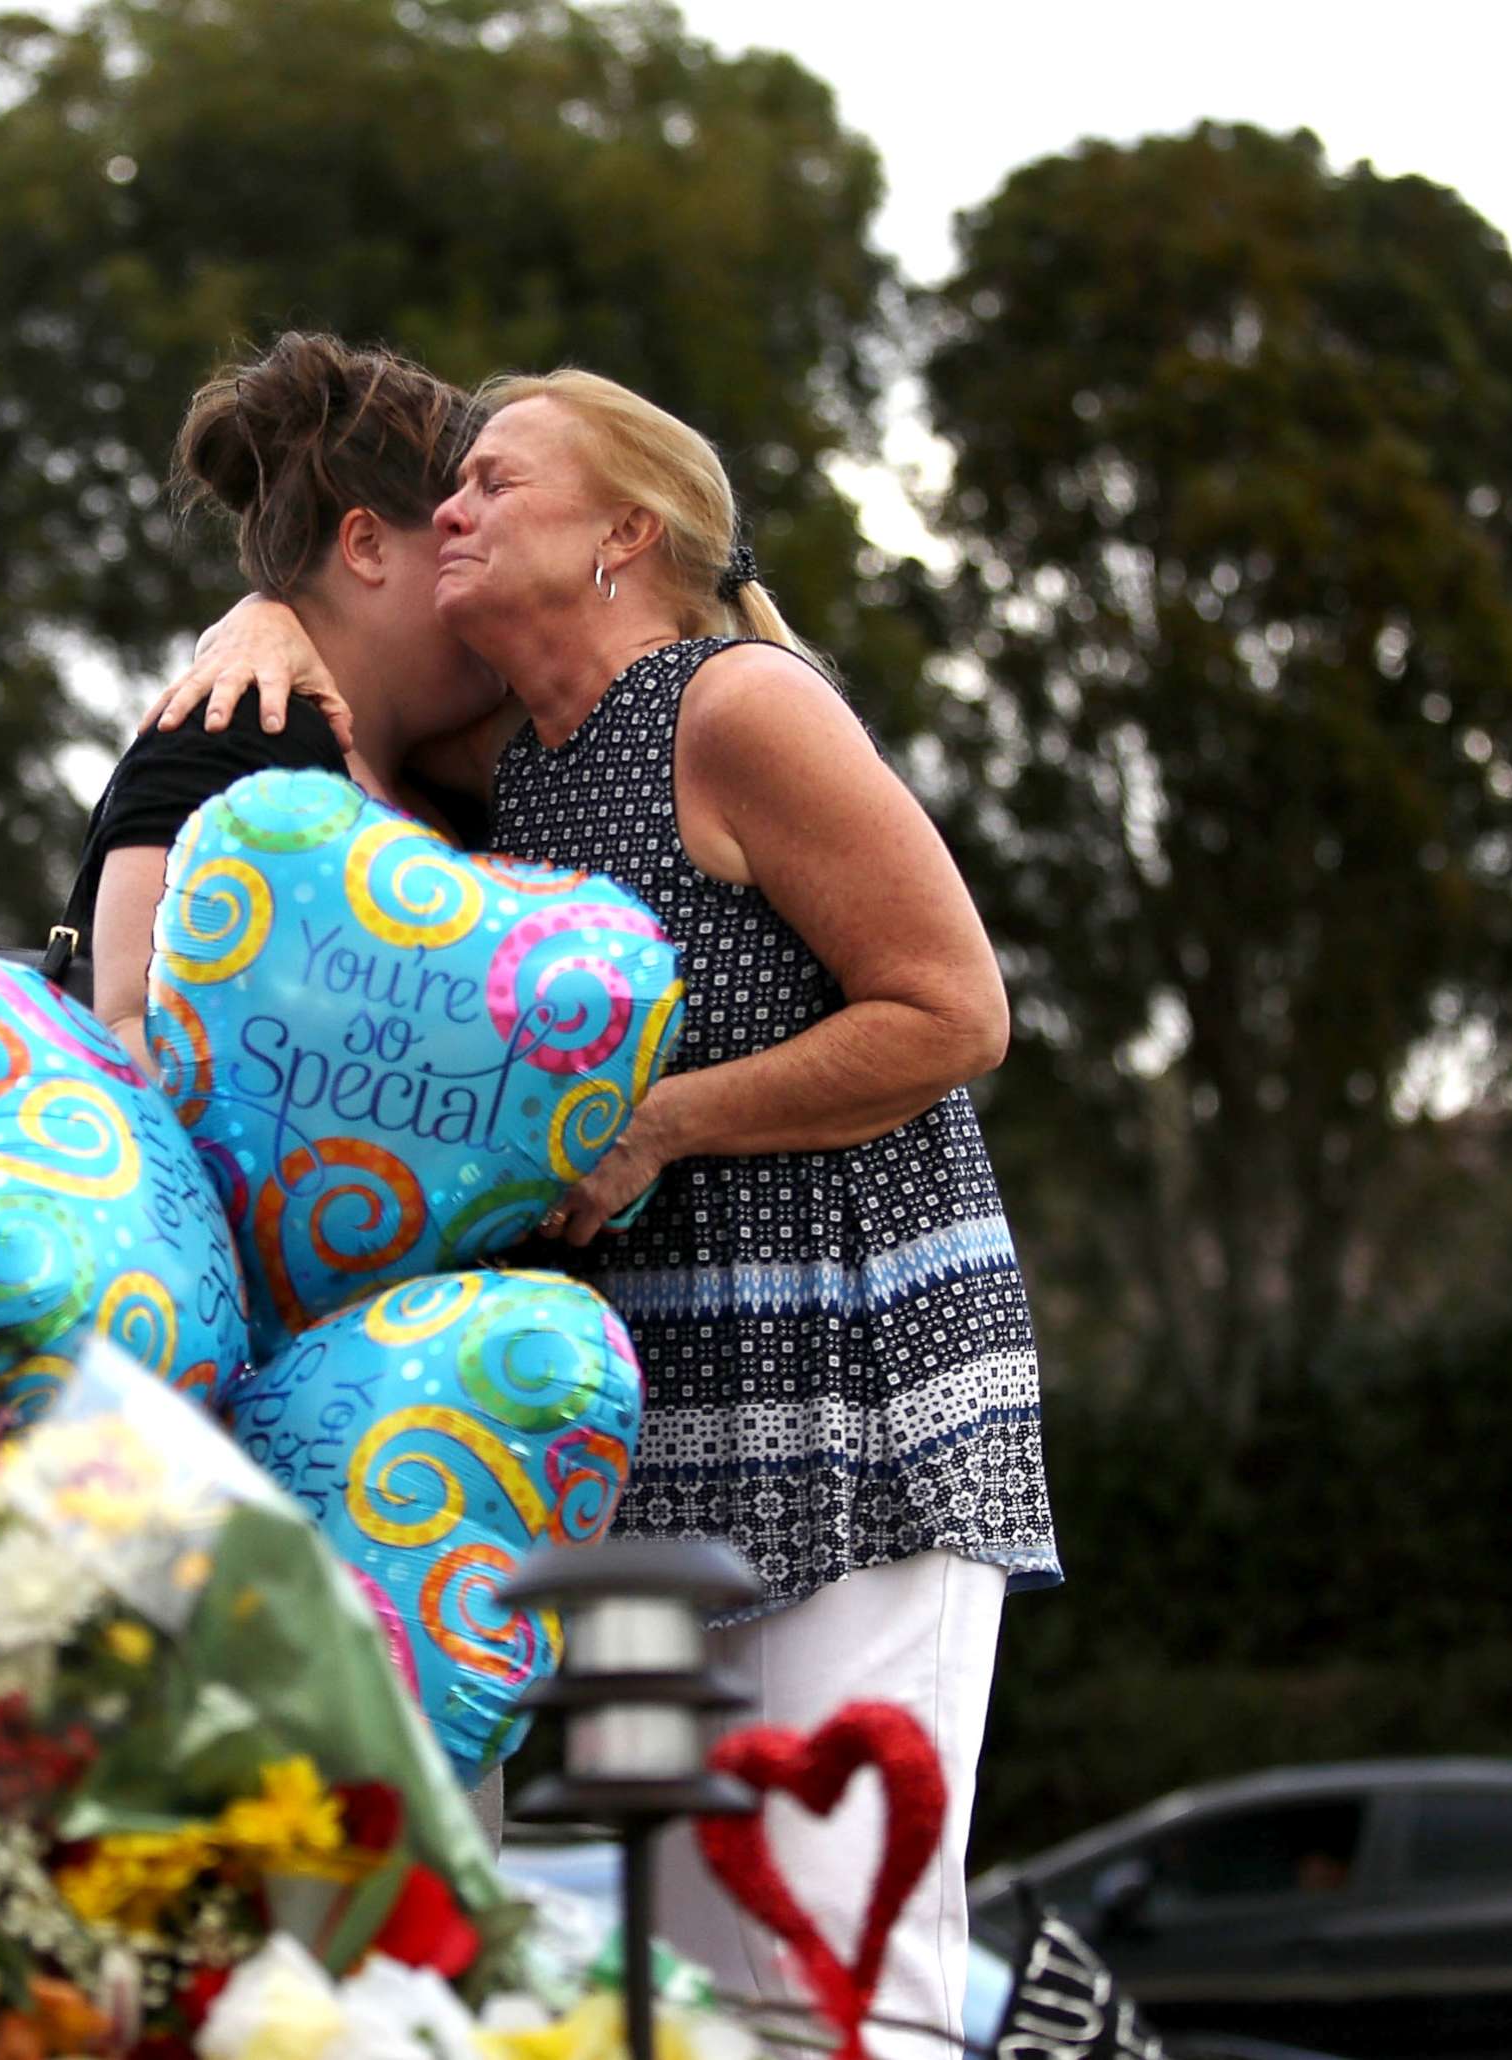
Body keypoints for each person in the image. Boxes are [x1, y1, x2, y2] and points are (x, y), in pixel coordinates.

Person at [155, 371, 1058, 2058]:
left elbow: (951, 1015)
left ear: (623, 533)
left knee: (839, 1977)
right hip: (661, 1441)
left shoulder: (738, 706)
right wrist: (261, 606)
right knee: (708, 1996)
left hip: (855, 1407)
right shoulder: (526, 769)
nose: (449, 510)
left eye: (492, 481)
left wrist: (656, 1126)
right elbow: (327, 620)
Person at [69, 333, 505, 1081]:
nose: (496, 581)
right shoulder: (232, 729)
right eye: (462, 537)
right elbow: (132, 1038)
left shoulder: (457, 777)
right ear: (366, 545)